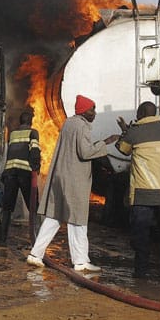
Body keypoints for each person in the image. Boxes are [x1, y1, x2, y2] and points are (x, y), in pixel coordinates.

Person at [26, 95, 118, 272]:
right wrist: (106, 142)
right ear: (84, 111)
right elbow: (85, 152)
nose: (95, 113)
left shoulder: (69, 123)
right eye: (92, 109)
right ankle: (80, 261)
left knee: (54, 217)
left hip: (62, 177)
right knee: (78, 219)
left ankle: (35, 254)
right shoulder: (82, 126)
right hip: (75, 179)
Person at [116, 101, 160, 279]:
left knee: (141, 236)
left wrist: (125, 130)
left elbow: (123, 150)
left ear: (141, 113)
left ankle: (141, 272)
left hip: (143, 194)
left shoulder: (135, 132)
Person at [0, 110, 42, 244]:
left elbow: (9, 153)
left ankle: (2, 238)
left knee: (7, 207)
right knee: (33, 205)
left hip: (10, 172)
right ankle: (37, 237)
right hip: (25, 173)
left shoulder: (13, 133)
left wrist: (4, 172)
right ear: (30, 122)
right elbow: (35, 151)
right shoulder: (33, 132)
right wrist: (36, 167)